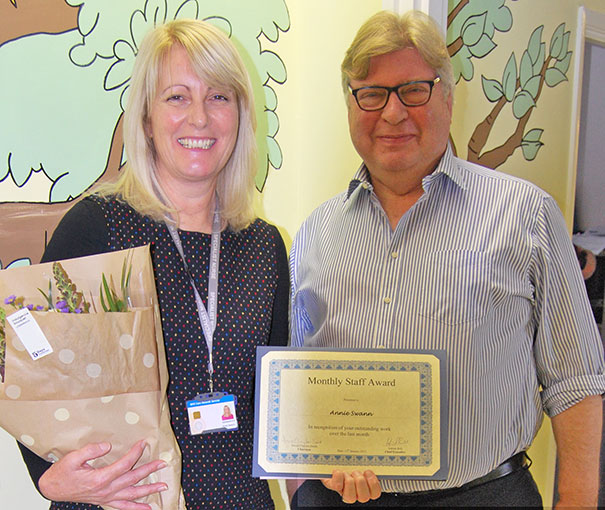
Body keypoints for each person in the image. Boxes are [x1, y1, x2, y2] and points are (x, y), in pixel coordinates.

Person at [288, 9, 605, 508]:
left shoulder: (524, 213)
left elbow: (577, 379)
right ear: (349, 105)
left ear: (448, 98)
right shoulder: (315, 233)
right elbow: (301, 382)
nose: (392, 113)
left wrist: (578, 501)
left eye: (413, 90)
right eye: (371, 94)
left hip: (483, 495)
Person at [17, 19, 288, 510]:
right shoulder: (97, 226)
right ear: (146, 118)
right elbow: (25, 352)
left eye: (219, 98)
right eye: (177, 97)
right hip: (126, 500)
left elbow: (280, 402)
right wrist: (46, 477)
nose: (200, 119)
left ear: (242, 116)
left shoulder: (263, 247)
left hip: (238, 498)